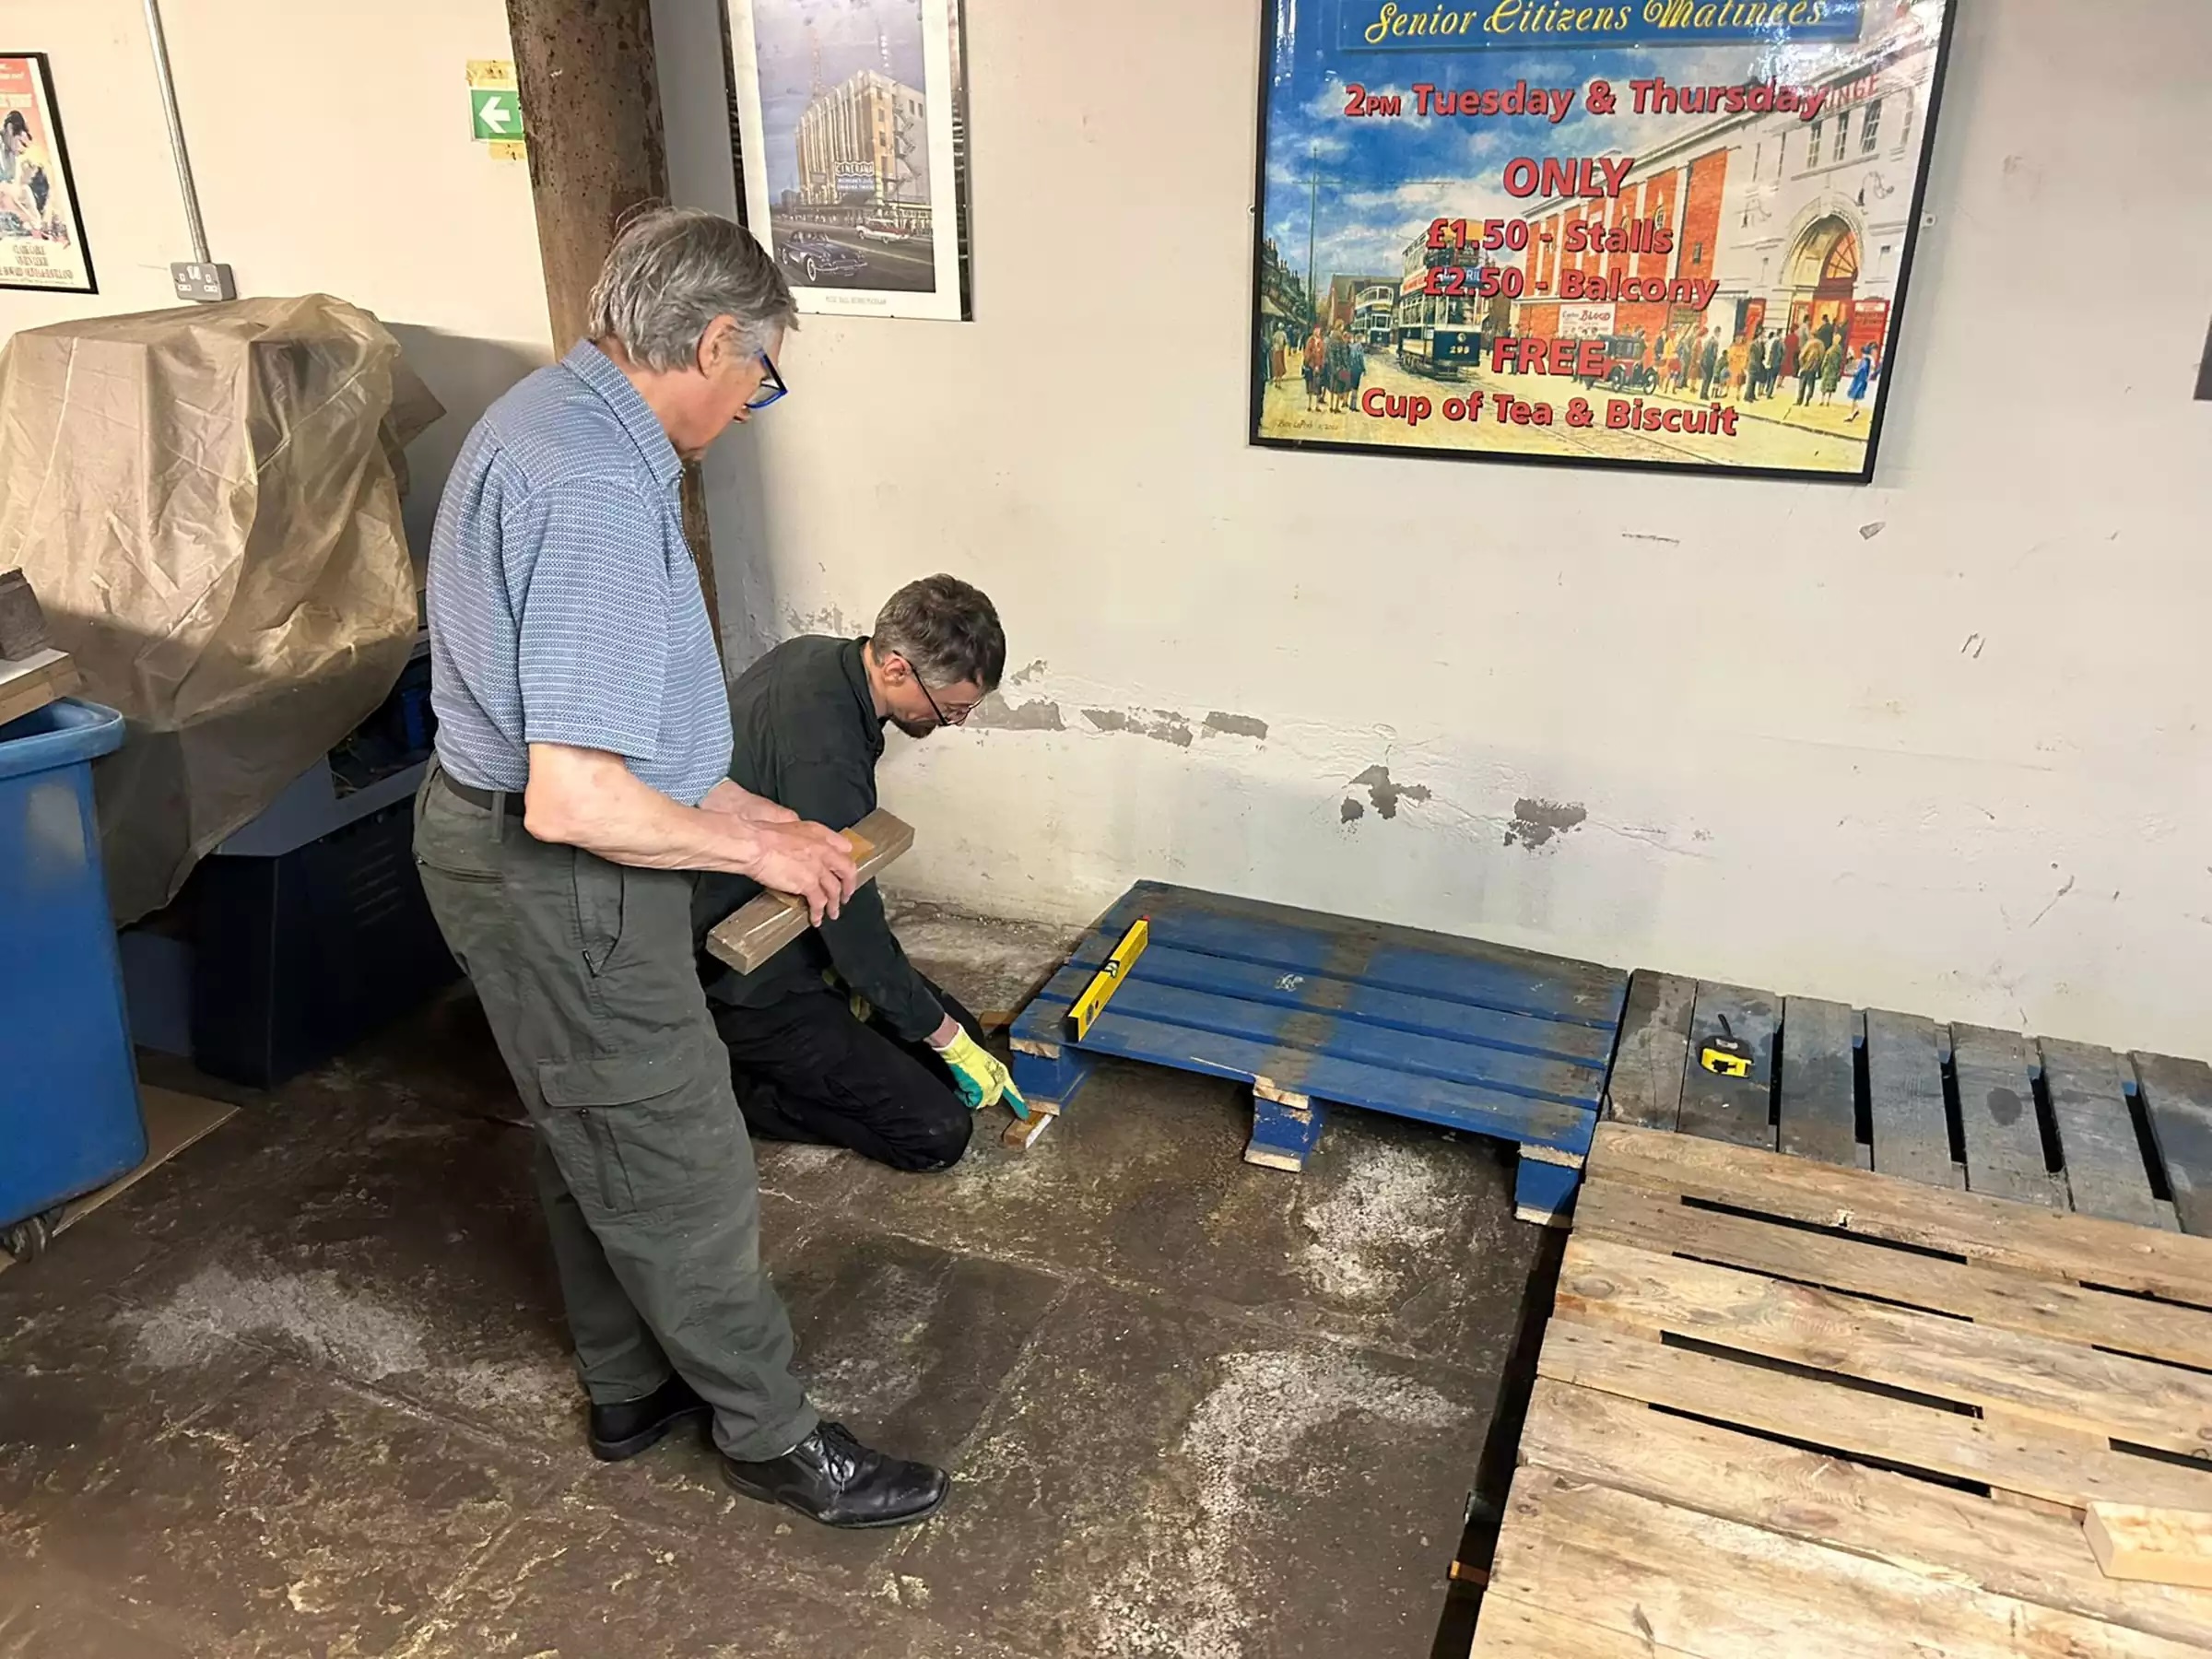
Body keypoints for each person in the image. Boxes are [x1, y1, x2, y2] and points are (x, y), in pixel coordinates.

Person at [412, 206, 948, 1531]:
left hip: (528, 855)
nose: (758, 399)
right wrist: (733, 844)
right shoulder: (592, 486)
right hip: (559, 878)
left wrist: (772, 830)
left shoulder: (563, 420)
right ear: (711, 340)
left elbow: (633, 730)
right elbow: (580, 791)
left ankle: (629, 1385)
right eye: (760, 369)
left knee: (591, 1124)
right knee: (681, 1153)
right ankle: (771, 1434)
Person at [698, 578, 1022, 1172]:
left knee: (959, 1036)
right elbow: (851, 921)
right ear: (898, 669)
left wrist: (944, 1030)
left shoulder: (818, 658)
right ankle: (724, 1094)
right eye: (951, 707)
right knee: (934, 1131)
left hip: (797, 935)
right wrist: (938, 1033)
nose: (955, 721)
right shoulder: (822, 752)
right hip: (749, 977)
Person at [1846, 343, 1875, 421]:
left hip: (1859, 381)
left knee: (1854, 396)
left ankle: (1853, 412)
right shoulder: (1868, 361)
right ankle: (1854, 412)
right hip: (1861, 381)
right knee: (1854, 398)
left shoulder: (1865, 361)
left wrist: (1855, 372)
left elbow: (1861, 370)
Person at [1302, 324, 1326, 411]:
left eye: (1319, 330)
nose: (1318, 332)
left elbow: (1323, 354)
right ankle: (1309, 405)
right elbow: (1306, 353)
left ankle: (1317, 405)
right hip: (1311, 366)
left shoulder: (1321, 341)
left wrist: (1320, 365)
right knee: (1310, 386)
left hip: (1318, 367)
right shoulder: (1310, 340)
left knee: (1318, 386)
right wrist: (1312, 357)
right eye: (1316, 330)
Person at [1819, 335, 1847, 404]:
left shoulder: (1830, 349)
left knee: (1824, 385)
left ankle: (1822, 400)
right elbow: (1841, 361)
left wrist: (1822, 368)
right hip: (1835, 370)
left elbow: (1826, 359)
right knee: (1831, 386)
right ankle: (1828, 401)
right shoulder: (1840, 350)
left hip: (1828, 369)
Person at [1697, 329, 1720, 402]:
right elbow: (1712, 354)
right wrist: (1714, 361)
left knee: (1706, 378)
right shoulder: (1714, 342)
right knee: (1708, 379)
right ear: (1717, 333)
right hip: (1709, 363)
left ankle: (1703, 393)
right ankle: (1704, 393)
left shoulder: (1708, 341)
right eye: (1719, 333)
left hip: (1705, 362)